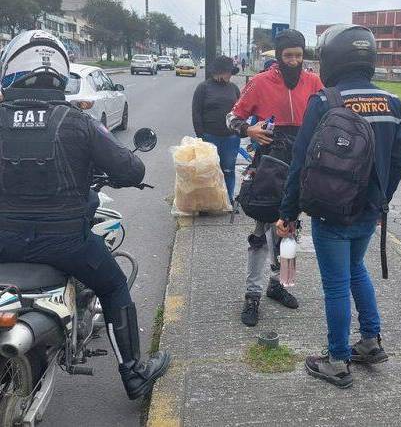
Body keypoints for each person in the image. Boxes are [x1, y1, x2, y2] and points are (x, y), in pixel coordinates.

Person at [0, 30, 170, 400]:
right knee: (113, 286)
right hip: (65, 244)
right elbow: (131, 170)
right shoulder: (78, 121)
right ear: (60, 75)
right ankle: (134, 373)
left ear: (9, 70)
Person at [276, 24, 401, 388]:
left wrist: (287, 213)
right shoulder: (392, 103)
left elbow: (300, 164)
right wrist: (381, 202)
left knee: (336, 285)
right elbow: (398, 161)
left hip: (331, 211)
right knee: (355, 269)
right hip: (369, 212)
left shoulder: (324, 101)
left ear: (333, 59)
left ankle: (336, 360)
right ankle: (370, 340)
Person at [227, 29, 323, 327]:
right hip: (269, 163)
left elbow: (328, 113)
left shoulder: (313, 82)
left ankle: (279, 284)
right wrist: (249, 130)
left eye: (298, 55)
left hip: (302, 162)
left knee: (290, 229)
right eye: (288, 56)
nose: (294, 61)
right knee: (261, 231)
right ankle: (252, 294)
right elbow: (231, 118)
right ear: (279, 57)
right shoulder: (259, 82)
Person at [192, 56, 241, 202]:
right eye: (228, 72)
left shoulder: (234, 88)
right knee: (208, 171)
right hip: (209, 136)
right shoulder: (203, 88)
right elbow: (196, 113)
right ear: (219, 72)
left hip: (231, 138)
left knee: (228, 170)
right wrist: (200, 136)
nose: (230, 75)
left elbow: (240, 110)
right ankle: (209, 202)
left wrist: (240, 130)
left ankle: (228, 200)